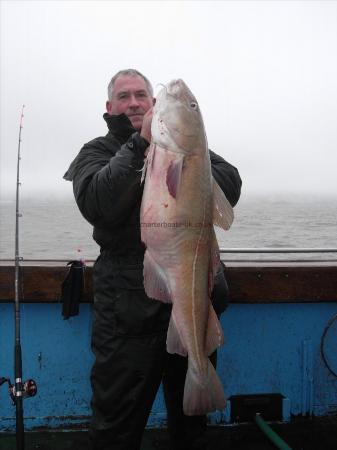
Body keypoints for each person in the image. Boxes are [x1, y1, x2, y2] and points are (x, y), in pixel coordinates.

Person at [64, 69, 242, 450]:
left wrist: (192, 175)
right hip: (127, 311)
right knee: (117, 424)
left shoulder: (186, 148)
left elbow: (231, 179)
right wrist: (138, 146)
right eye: (124, 96)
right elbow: (98, 202)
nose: (133, 102)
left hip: (193, 297)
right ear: (110, 107)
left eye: (141, 95)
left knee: (190, 427)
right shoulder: (96, 151)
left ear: (153, 103)